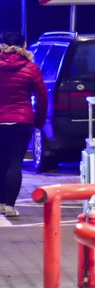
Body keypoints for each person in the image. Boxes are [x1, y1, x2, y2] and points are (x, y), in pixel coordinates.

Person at [0, 32, 48, 218]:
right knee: (14, 162)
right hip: (21, 121)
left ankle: (0, 203)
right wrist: (39, 121)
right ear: (24, 45)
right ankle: (10, 206)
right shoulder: (31, 68)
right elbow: (42, 97)